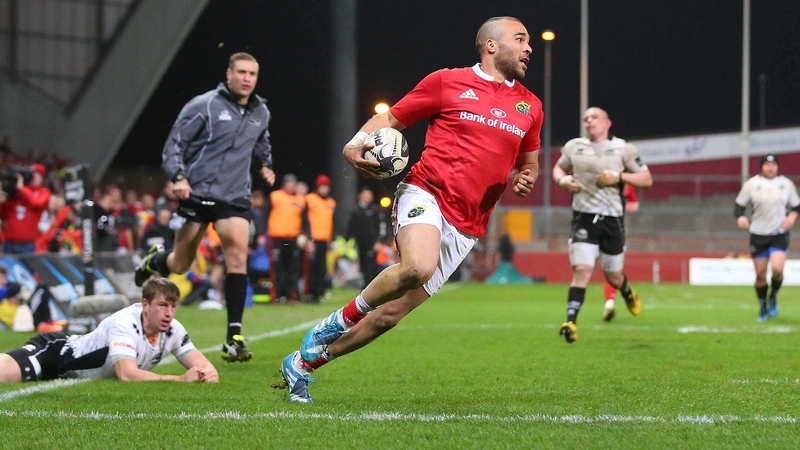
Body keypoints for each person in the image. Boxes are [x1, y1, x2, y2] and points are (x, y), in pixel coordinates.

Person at [279, 16, 542, 402]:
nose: (528, 48)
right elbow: (390, 118)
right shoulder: (446, 82)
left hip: (468, 224)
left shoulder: (530, 106)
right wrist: (355, 144)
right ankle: (336, 322)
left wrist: (526, 177)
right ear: (490, 46)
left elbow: (528, 164)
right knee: (418, 265)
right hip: (425, 193)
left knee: (387, 317)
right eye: (520, 39)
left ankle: (302, 365)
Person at [134, 52, 276, 363]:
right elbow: (174, 145)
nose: (246, 78)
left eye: (252, 73)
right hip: (197, 193)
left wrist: (265, 164)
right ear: (229, 73)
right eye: (241, 72)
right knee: (181, 264)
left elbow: (261, 144)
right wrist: (179, 177)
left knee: (237, 255)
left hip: (235, 196)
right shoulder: (204, 105)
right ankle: (156, 260)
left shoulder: (260, 111)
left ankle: (233, 337)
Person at [552, 107, 652, 344]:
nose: (589, 121)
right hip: (583, 217)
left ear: (608, 123)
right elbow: (559, 167)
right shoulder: (574, 146)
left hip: (612, 220)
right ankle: (571, 322)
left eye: (594, 117)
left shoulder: (623, 149)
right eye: (585, 118)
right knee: (583, 270)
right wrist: (562, 179)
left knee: (613, 276)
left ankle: (626, 291)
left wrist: (619, 177)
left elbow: (646, 179)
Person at [0, 278, 218, 383]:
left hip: (70, 374)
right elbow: (127, 374)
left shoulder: (173, 330)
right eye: (162, 305)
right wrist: (180, 379)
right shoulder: (125, 323)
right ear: (145, 305)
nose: (169, 313)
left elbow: (208, 370)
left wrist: (205, 374)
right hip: (54, 353)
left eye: (173, 306)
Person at [734, 153, 800, 321]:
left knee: (778, 270)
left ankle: (773, 297)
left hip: (779, 234)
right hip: (758, 234)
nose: (770, 167)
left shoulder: (786, 184)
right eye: (767, 164)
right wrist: (740, 217)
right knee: (761, 275)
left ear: (777, 166)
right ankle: (763, 306)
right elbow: (738, 206)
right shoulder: (752, 184)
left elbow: (796, 206)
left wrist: (792, 217)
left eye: (773, 164)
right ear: (762, 166)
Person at [267, 174, 309, 303]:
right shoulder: (275, 196)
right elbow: (265, 215)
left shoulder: (301, 200)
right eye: (290, 182)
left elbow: (305, 220)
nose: (292, 185)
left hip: (293, 239)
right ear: (284, 184)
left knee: (293, 268)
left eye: (294, 183)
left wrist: (305, 234)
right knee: (278, 268)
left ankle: (292, 295)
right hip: (277, 239)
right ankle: (278, 296)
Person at [601, 183, 639, 321]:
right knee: (609, 270)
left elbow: (634, 204)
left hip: (614, 230)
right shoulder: (598, 176)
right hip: (596, 229)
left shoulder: (626, 182)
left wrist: (621, 205)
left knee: (612, 270)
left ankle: (609, 303)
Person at [0, 163, 51, 254]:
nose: (34, 177)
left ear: (42, 178)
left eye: (37, 174)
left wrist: (22, 188)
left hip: (27, 243)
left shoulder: (44, 192)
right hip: (10, 241)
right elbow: (3, 214)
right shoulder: (16, 193)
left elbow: (37, 203)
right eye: (32, 174)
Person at [347, 186, 388, 288]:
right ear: (360, 196)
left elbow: (382, 226)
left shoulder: (375, 210)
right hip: (360, 243)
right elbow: (351, 227)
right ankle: (366, 289)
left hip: (373, 243)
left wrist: (380, 241)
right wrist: (349, 241)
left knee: (372, 267)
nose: (368, 197)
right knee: (363, 266)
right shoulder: (355, 211)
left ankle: (372, 289)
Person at [305, 174, 337, 302]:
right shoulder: (309, 199)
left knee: (321, 268)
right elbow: (304, 219)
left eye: (326, 187)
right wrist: (307, 237)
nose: (324, 189)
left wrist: (332, 238)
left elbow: (332, 221)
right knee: (311, 268)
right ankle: (309, 293)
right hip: (313, 239)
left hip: (324, 239)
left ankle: (318, 293)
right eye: (322, 186)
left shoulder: (331, 202)